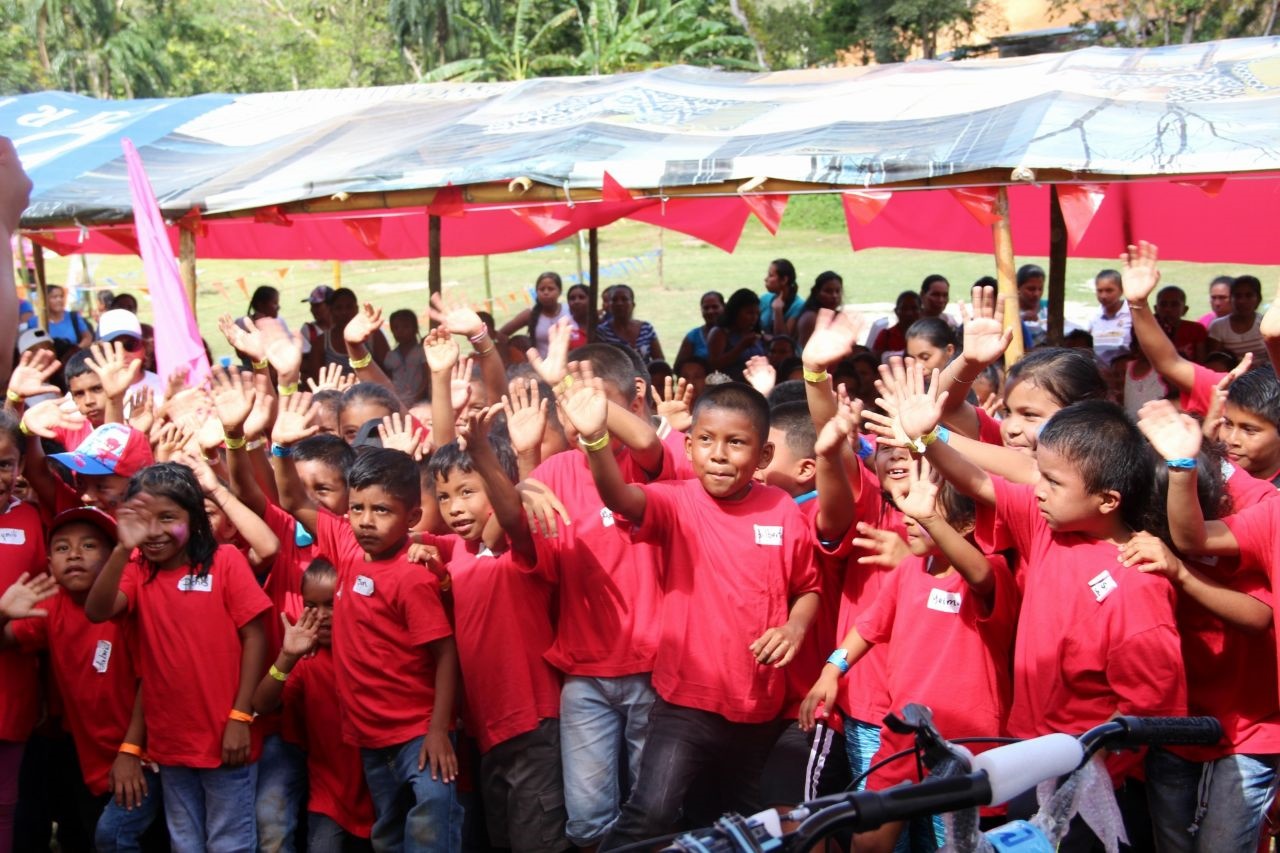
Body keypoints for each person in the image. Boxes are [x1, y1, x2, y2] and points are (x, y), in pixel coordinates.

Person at [895, 371, 1185, 849]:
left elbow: (1150, 708)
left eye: (1051, 480)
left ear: (1108, 499)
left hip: (1089, 786)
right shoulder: (1046, 526)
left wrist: (1090, 772)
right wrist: (927, 438)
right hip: (1027, 762)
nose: (1038, 489)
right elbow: (980, 482)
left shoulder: (1136, 583)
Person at [563, 376, 820, 848]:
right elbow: (620, 497)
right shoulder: (676, 502)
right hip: (685, 706)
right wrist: (597, 441)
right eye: (706, 440)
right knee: (652, 814)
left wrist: (794, 627)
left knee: (737, 825)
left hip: (757, 710)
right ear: (689, 445)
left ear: (762, 457)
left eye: (736, 443)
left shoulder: (782, 510)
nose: (719, 454)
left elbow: (809, 588)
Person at [801, 458, 1015, 853]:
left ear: (967, 524)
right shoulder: (911, 570)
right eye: (909, 511)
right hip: (904, 732)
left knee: (949, 843)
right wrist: (833, 668)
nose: (911, 519)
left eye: (929, 513)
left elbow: (979, 576)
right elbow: (869, 627)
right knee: (868, 839)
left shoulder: (994, 572)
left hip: (965, 744)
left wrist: (929, 519)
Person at [273, 437, 462, 853]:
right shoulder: (347, 549)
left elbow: (446, 655)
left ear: (412, 515)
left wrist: (438, 731)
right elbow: (288, 497)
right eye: (357, 508)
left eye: (382, 510)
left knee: (433, 821)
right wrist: (282, 447)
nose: (365, 521)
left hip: (417, 733)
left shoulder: (411, 577)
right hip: (370, 737)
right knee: (390, 834)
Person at [85, 462, 272, 852]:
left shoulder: (225, 561)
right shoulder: (138, 570)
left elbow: (256, 638)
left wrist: (241, 716)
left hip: (226, 737)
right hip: (171, 740)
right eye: (143, 518)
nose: (154, 532)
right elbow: (98, 610)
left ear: (195, 516)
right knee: (185, 842)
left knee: (230, 842)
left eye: (168, 517)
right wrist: (122, 547)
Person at [1129, 421, 1280, 853]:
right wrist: (932, 437)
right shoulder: (1134, 518)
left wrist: (1180, 572)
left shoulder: (1257, 511)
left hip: (1249, 726)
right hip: (1173, 721)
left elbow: (1259, 616)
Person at [423, 421, 567, 853]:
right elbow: (409, 531)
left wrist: (486, 452)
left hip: (532, 724)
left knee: (536, 841)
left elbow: (511, 517)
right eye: (445, 497)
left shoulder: (521, 550)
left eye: (468, 492)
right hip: (487, 733)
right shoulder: (458, 554)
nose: (454, 508)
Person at [1, 507, 163, 851]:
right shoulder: (52, 607)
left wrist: (132, 751)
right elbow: (7, 639)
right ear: (48, 564)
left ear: (112, 558)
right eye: (62, 548)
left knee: (117, 837)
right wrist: (1, 613)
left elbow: (151, 681)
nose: (74, 554)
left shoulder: (128, 604)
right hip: (92, 765)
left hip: (146, 757)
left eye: (89, 546)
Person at [252, 559, 376, 852]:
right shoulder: (307, 662)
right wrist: (287, 656)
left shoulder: (375, 651)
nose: (321, 615)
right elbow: (261, 703)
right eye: (311, 605)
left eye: (330, 604)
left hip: (376, 790)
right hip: (328, 792)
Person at [0, 409, 51, 853]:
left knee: (4, 807)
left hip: (12, 692)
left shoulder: (31, 521)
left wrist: (15, 635)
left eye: (4, 463)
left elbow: (45, 608)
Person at [499, 272, 576, 359]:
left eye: (550, 289)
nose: (546, 292)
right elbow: (501, 333)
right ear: (536, 291)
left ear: (560, 291)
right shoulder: (530, 314)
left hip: (570, 365)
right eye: (542, 289)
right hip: (541, 368)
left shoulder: (570, 309)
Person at [706, 288, 766, 381]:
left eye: (757, 313)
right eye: (749, 313)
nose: (754, 318)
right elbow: (715, 365)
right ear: (735, 312)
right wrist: (741, 347)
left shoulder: (755, 334)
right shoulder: (720, 333)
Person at [1208, 275, 1267, 364]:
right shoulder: (1218, 326)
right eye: (1237, 296)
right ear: (1231, 299)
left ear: (1258, 299)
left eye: (1249, 295)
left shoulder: (1265, 324)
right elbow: (1215, 361)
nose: (1242, 301)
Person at [596, 285, 663, 362]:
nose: (619, 303)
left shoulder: (646, 329)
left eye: (624, 299)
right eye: (614, 300)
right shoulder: (602, 332)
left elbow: (659, 360)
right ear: (610, 306)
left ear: (633, 304)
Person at [1089, 268, 1132, 367]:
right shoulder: (1094, 315)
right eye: (1100, 291)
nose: (1103, 296)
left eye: (1109, 290)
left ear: (1121, 290)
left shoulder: (1132, 315)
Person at [1153, 285, 1207, 363]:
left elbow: (1201, 362)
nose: (1168, 309)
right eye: (1163, 304)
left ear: (1185, 310)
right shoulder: (1149, 330)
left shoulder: (1196, 330)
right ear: (1156, 309)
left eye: (1174, 304)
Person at [384, 309, 427, 405]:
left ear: (415, 328)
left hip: (420, 399)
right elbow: (388, 379)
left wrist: (419, 396)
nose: (400, 331)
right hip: (398, 400)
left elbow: (426, 377)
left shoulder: (422, 352)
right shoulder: (390, 356)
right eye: (396, 328)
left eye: (405, 327)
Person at [675, 291, 725, 364]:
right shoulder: (693, 336)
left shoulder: (733, 334)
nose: (710, 311)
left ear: (724, 307)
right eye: (706, 308)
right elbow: (679, 367)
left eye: (715, 307)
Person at [795, 273, 843, 348]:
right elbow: (803, 351)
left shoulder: (839, 316)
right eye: (828, 291)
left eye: (837, 291)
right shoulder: (811, 318)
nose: (834, 296)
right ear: (817, 293)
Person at [871, 291, 921, 360]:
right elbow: (875, 361)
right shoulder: (886, 336)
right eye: (904, 308)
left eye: (914, 308)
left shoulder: (929, 336)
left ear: (921, 311)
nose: (909, 313)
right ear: (896, 311)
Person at [760, 258, 803, 339]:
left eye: (771, 275)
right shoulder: (764, 299)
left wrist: (777, 310)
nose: (765, 279)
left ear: (784, 280)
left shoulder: (798, 306)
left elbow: (783, 340)